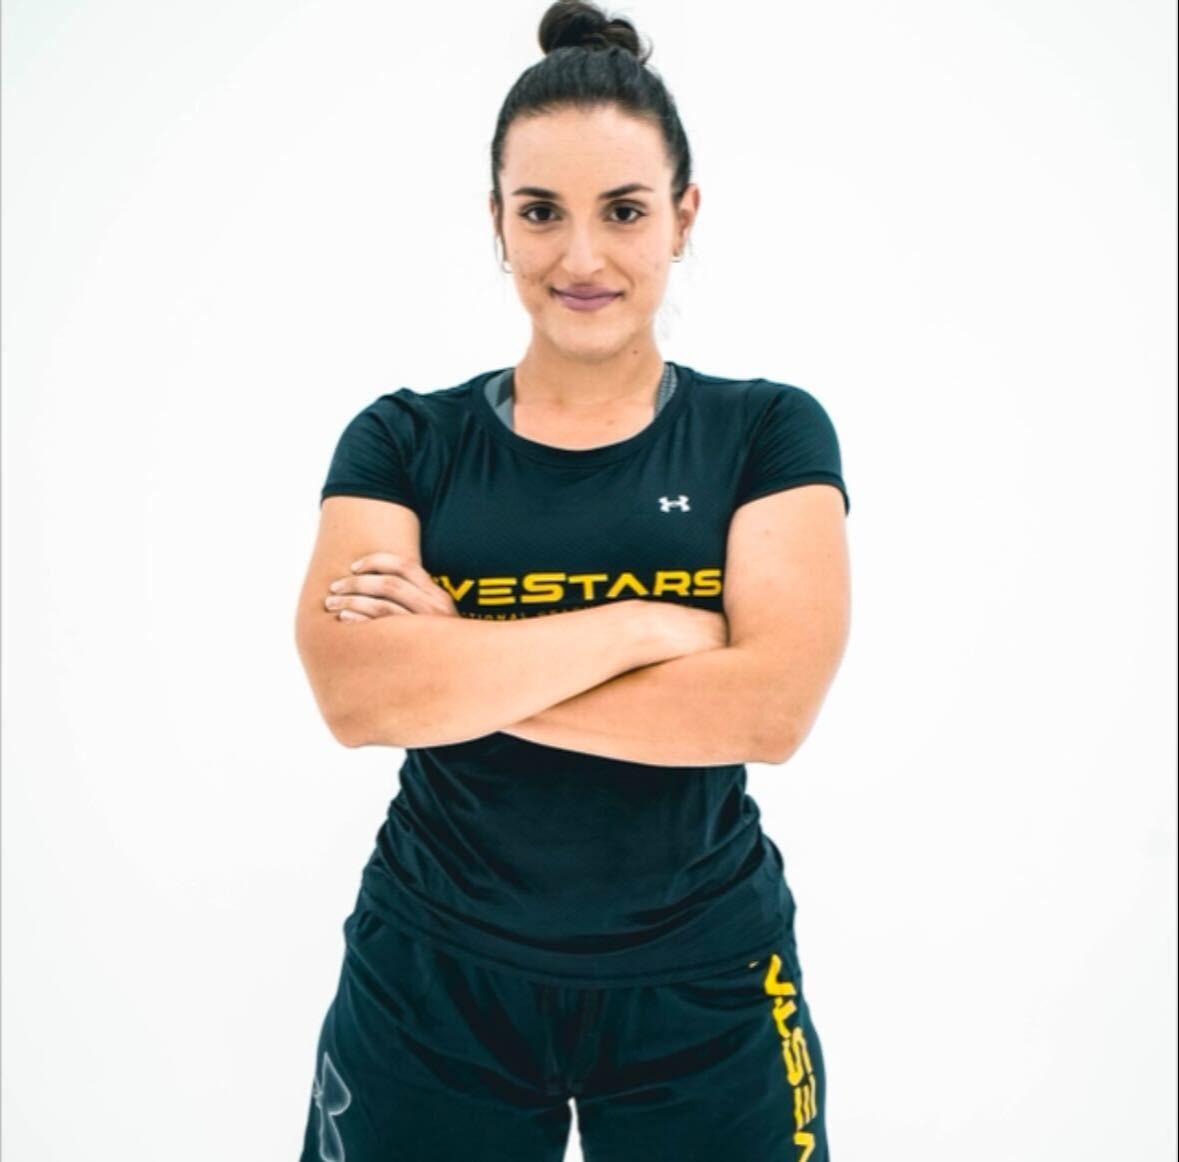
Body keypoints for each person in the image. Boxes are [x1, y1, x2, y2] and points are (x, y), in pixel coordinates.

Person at [293, 2, 851, 1158]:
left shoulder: (766, 433)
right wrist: (649, 625)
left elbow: (770, 708)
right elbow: (358, 695)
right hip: (430, 981)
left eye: (625, 211)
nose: (582, 258)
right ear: (498, 221)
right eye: (541, 211)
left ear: (683, 216)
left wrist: (453, 669)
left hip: (707, 984)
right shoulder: (404, 442)